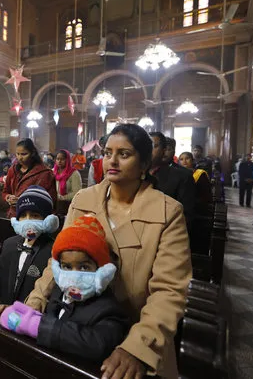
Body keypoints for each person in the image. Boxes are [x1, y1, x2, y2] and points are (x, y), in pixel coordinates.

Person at [25, 123, 192, 379]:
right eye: (107, 153)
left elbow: (169, 291)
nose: (112, 160)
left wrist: (137, 348)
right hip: (76, 328)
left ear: (145, 164)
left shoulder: (167, 212)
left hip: (135, 334)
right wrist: (35, 301)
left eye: (124, 154)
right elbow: (56, 260)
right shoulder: (84, 200)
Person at [0, 215, 129, 363]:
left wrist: (38, 326)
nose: (73, 275)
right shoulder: (57, 292)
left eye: (84, 267)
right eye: (67, 267)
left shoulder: (109, 309)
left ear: (101, 269)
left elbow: (97, 344)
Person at [149, 132, 196, 228]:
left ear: (164, 150)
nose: (148, 150)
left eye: (154, 146)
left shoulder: (183, 176)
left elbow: (186, 215)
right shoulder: (135, 173)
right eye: (145, 146)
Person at [3, 138, 57, 219]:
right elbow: (5, 191)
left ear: (32, 153)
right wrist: (8, 197)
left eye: (24, 154)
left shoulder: (45, 173)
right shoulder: (13, 170)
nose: (20, 157)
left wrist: (24, 201)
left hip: (34, 217)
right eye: (17, 154)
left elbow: (50, 201)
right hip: (13, 215)